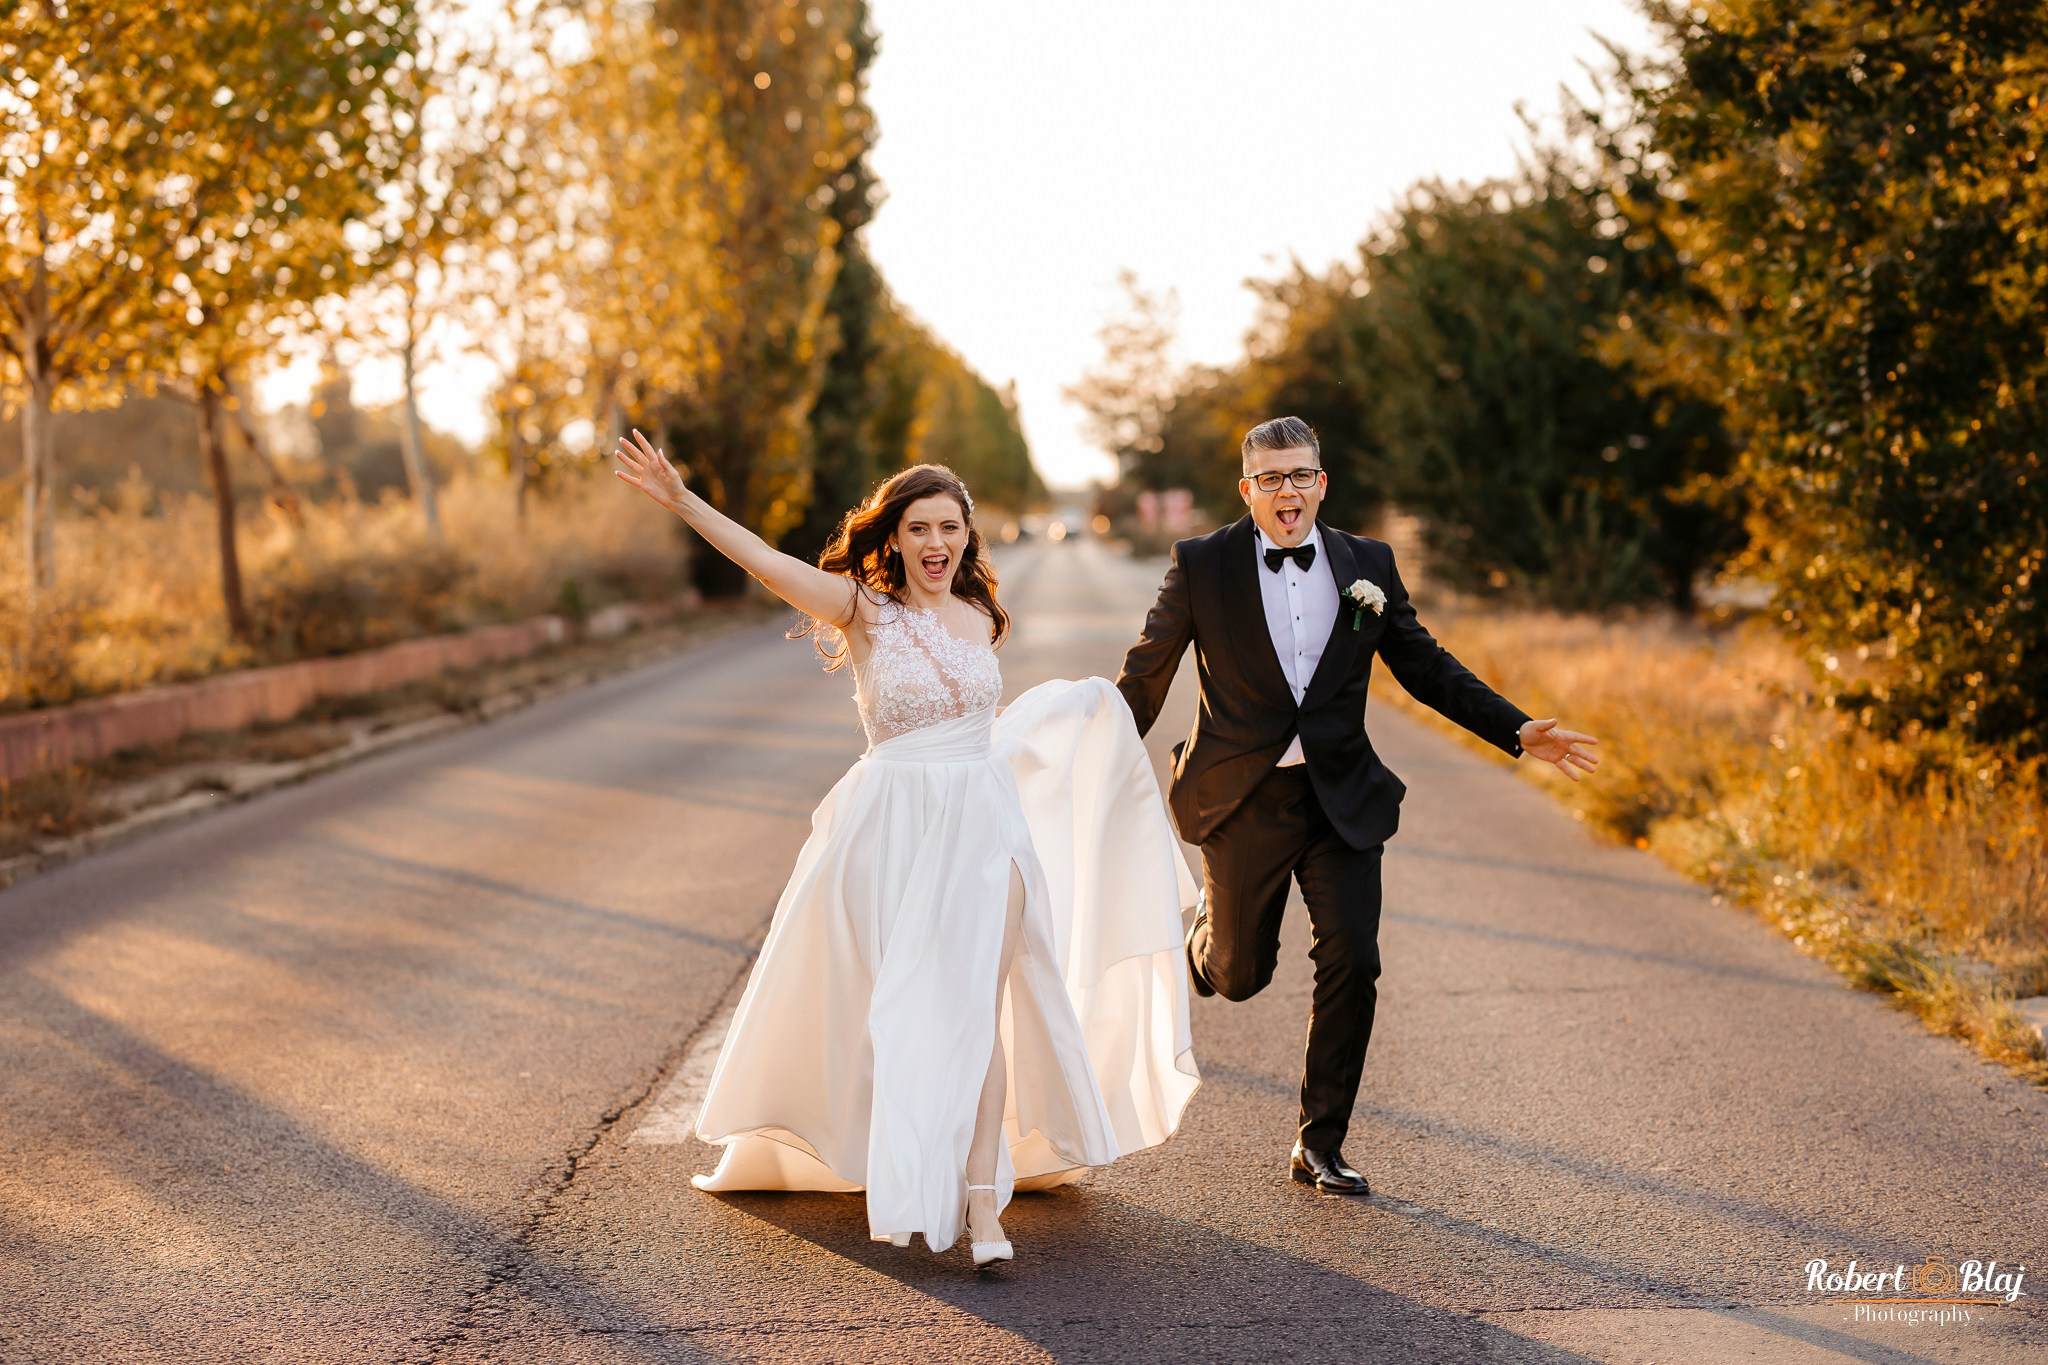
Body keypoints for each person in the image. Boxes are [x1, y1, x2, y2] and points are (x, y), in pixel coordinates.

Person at [612, 432, 1199, 1265]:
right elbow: (766, 563)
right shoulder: (862, 610)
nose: (935, 542)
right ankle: (899, 1158)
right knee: (904, 1008)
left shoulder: (981, 617)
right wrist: (682, 500)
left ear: (966, 536)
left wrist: (1055, 721)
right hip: (892, 828)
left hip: (986, 824)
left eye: (949, 527)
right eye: (919, 527)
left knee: (983, 1009)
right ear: (893, 536)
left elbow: (975, 721)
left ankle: (983, 1201)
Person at [1114, 416, 1599, 1196]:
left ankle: (1319, 1141)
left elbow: (1425, 664)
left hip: (1339, 796)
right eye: (1271, 478)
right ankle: (1207, 941)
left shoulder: (1367, 563)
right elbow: (1146, 674)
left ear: (1322, 483)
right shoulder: (1201, 564)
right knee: (1239, 975)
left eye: (1301, 474)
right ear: (1247, 489)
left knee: (1354, 958)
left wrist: (1515, 729)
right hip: (1243, 799)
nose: (1288, 490)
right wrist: (1086, 745)